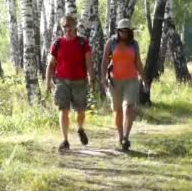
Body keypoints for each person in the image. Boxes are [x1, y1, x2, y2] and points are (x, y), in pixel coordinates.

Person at [46, 15, 94, 151]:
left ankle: (80, 128)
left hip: (79, 81)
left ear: (75, 26)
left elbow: (89, 61)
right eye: (64, 26)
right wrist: (48, 82)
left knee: (80, 111)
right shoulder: (57, 44)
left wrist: (92, 78)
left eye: (69, 25)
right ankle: (65, 140)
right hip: (62, 81)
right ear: (62, 28)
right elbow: (51, 64)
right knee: (63, 110)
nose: (67, 28)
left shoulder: (82, 43)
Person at [101, 18, 147, 151]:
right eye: (121, 31)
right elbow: (104, 61)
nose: (124, 33)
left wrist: (144, 78)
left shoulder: (134, 45)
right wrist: (103, 78)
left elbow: (138, 62)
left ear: (130, 32)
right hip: (115, 81)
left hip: (131, 80)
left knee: (129, 107)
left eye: (126, 31)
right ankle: (120, 136)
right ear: (118, 31)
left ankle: (126, 136)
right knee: (118, 110)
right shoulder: (111, 43)